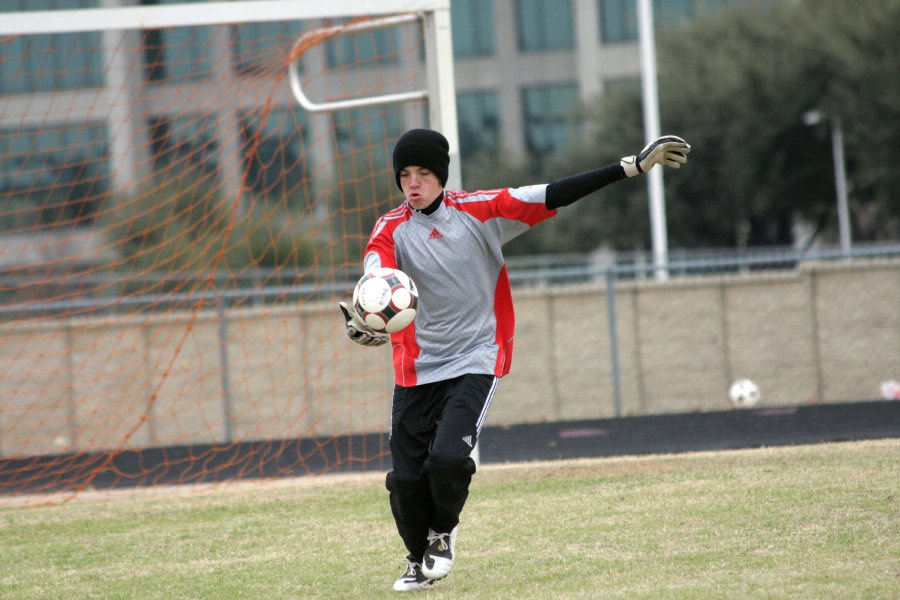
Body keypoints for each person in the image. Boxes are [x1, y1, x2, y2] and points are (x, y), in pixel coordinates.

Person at [339, 128, 691, 592]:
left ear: (441, 175)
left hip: (476, 357)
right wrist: (369, 316)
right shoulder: (390, 228)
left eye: (423, 172)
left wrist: (630, 166)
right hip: (416, 367)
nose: (413, 182)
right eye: (405, 174)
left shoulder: (482, 211)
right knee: (406, 481)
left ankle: (442, 534)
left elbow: (554, 193)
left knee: (445, 461)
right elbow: (376, 273)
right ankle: (414, 557)